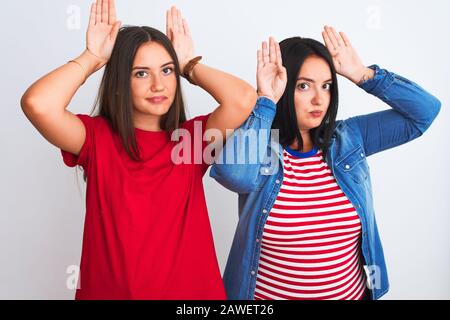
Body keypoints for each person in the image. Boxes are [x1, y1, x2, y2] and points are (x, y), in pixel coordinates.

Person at [20, 0, 257, 299]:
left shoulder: (191, 141)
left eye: (167, 70)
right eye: (141, 73)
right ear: (121, 80)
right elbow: (38, 104)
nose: (158, 84)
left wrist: (189, 65)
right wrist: (92, 58)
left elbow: (242, 99)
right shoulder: (96, 138)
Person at [210, 26, 441, 300]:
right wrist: (266, 100)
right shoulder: (258, 145)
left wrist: (363, 75)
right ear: (282, 85)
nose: (319, 99)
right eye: (303, 86)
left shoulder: (349, 138)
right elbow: (233, 176)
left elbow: (424, 113)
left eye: (327, 86)